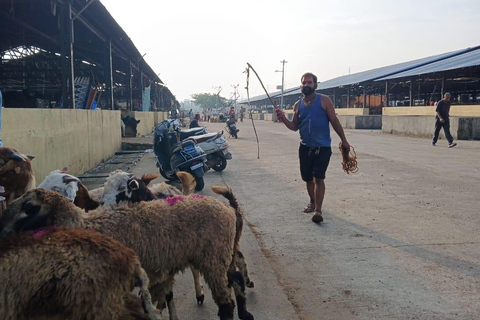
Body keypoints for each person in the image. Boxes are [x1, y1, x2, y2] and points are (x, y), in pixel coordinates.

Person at [275, 72, 351, 223]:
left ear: (315, 85)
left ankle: (318, 210)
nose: (306, 85)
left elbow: (334, 121)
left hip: (322, 147)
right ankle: (312, 201)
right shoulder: (297, 105)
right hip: (305, 147)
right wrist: (283, 119)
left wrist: (344, 140)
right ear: (300, 86)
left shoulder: (324, 100)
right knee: (308, 178)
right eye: (304, 83)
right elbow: (294, 126)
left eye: (310, 83)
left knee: (319, 177)